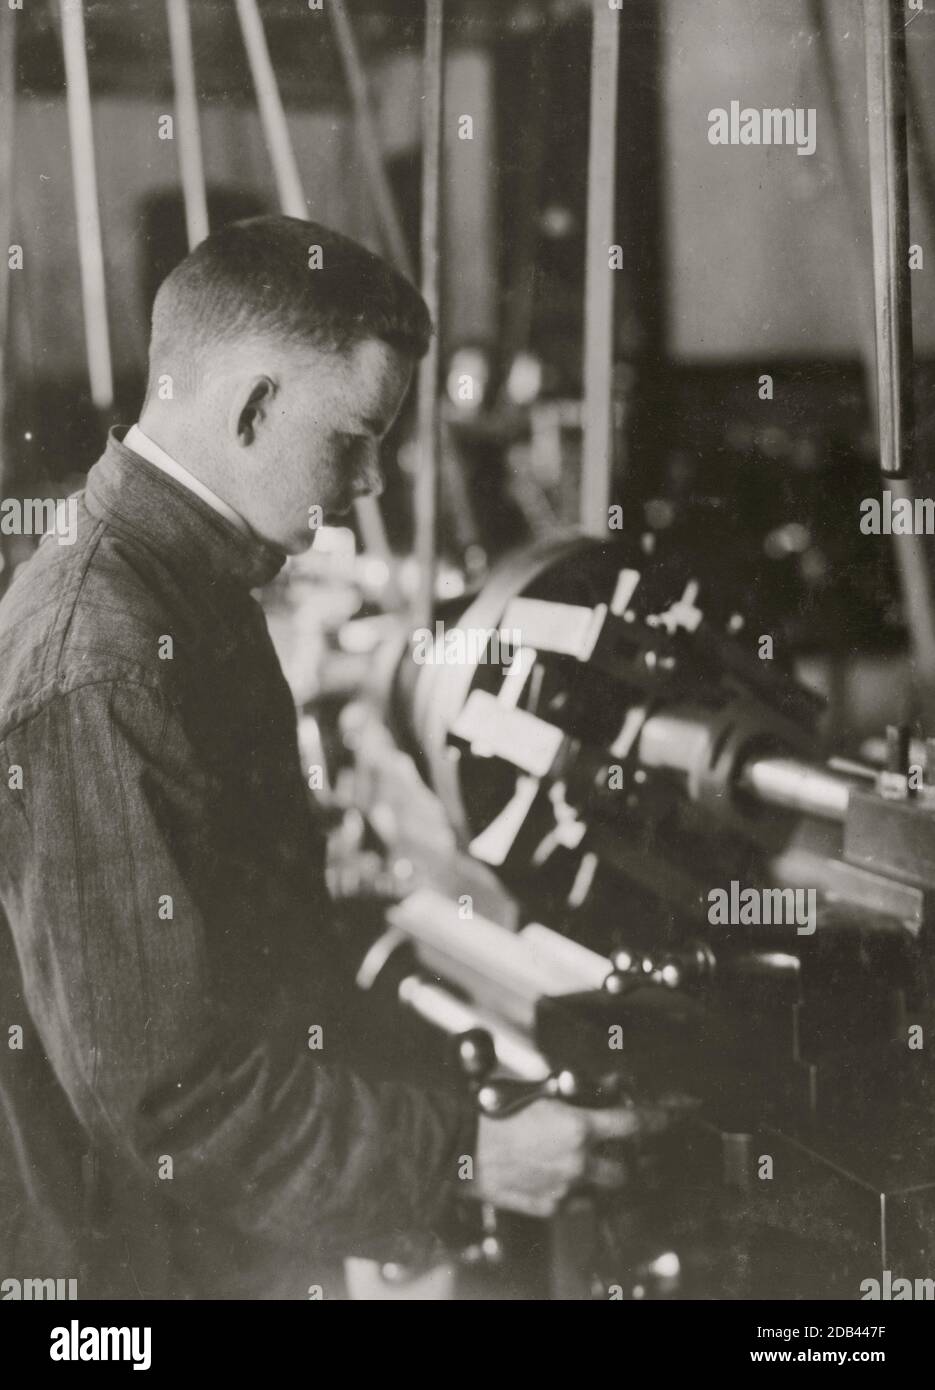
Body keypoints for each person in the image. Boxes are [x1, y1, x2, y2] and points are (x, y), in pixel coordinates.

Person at [0, 215, 669, 1299]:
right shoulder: (105, 655)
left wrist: (436, 1097)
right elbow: (170, 1098)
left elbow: (244, 953)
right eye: (354, 438)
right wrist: (467, 1155)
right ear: (254, 407)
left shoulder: (178, 585)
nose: (368, 483)